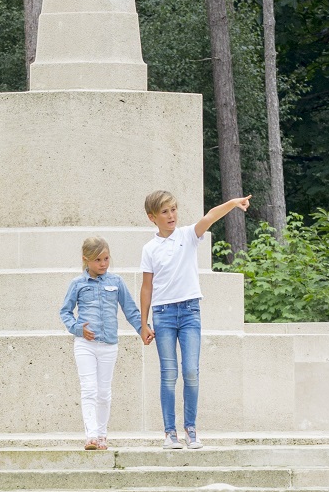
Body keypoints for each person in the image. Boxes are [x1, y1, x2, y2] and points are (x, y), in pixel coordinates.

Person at [138, 189, 252, 449]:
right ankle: (170, 433)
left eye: (173, 209)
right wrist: (143, 324)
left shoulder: (188, 235)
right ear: (152, 217)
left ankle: (191, 429)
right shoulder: (150, 248)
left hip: (190, 312)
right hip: (163, 315)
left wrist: (234, 203)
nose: (171, 215)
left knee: (191, 371)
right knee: (169, 374)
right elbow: (147, 287)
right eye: (164, 212)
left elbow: (211, 216)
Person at [59, 236, 147, 450]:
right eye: (98, 260)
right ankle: (90, 435)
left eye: (106, 259)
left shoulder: (116, 282)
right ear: (86, 260)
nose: (103, 264)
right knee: (88, 389)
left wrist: (143, 329)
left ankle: (102, 435)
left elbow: (130, 310)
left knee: (104, 391)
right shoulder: (77, 284)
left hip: (109, 345)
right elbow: (65, 312)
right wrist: (78, 329)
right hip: (85, 344)